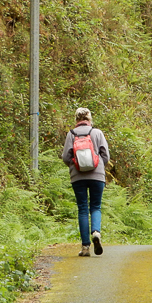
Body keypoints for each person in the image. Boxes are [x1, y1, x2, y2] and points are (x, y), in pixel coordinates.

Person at [62, 107, 110, 257]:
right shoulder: (97, 133)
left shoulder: (71, 134)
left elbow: (65, 157)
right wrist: (98, 165)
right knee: (95, 206)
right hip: (97, 176)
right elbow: (106, 155)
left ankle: (85, 248)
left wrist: (75, 166)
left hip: (78, 177)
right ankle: (96, 232)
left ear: (76, 119)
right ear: (89, 119)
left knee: (82, 209)